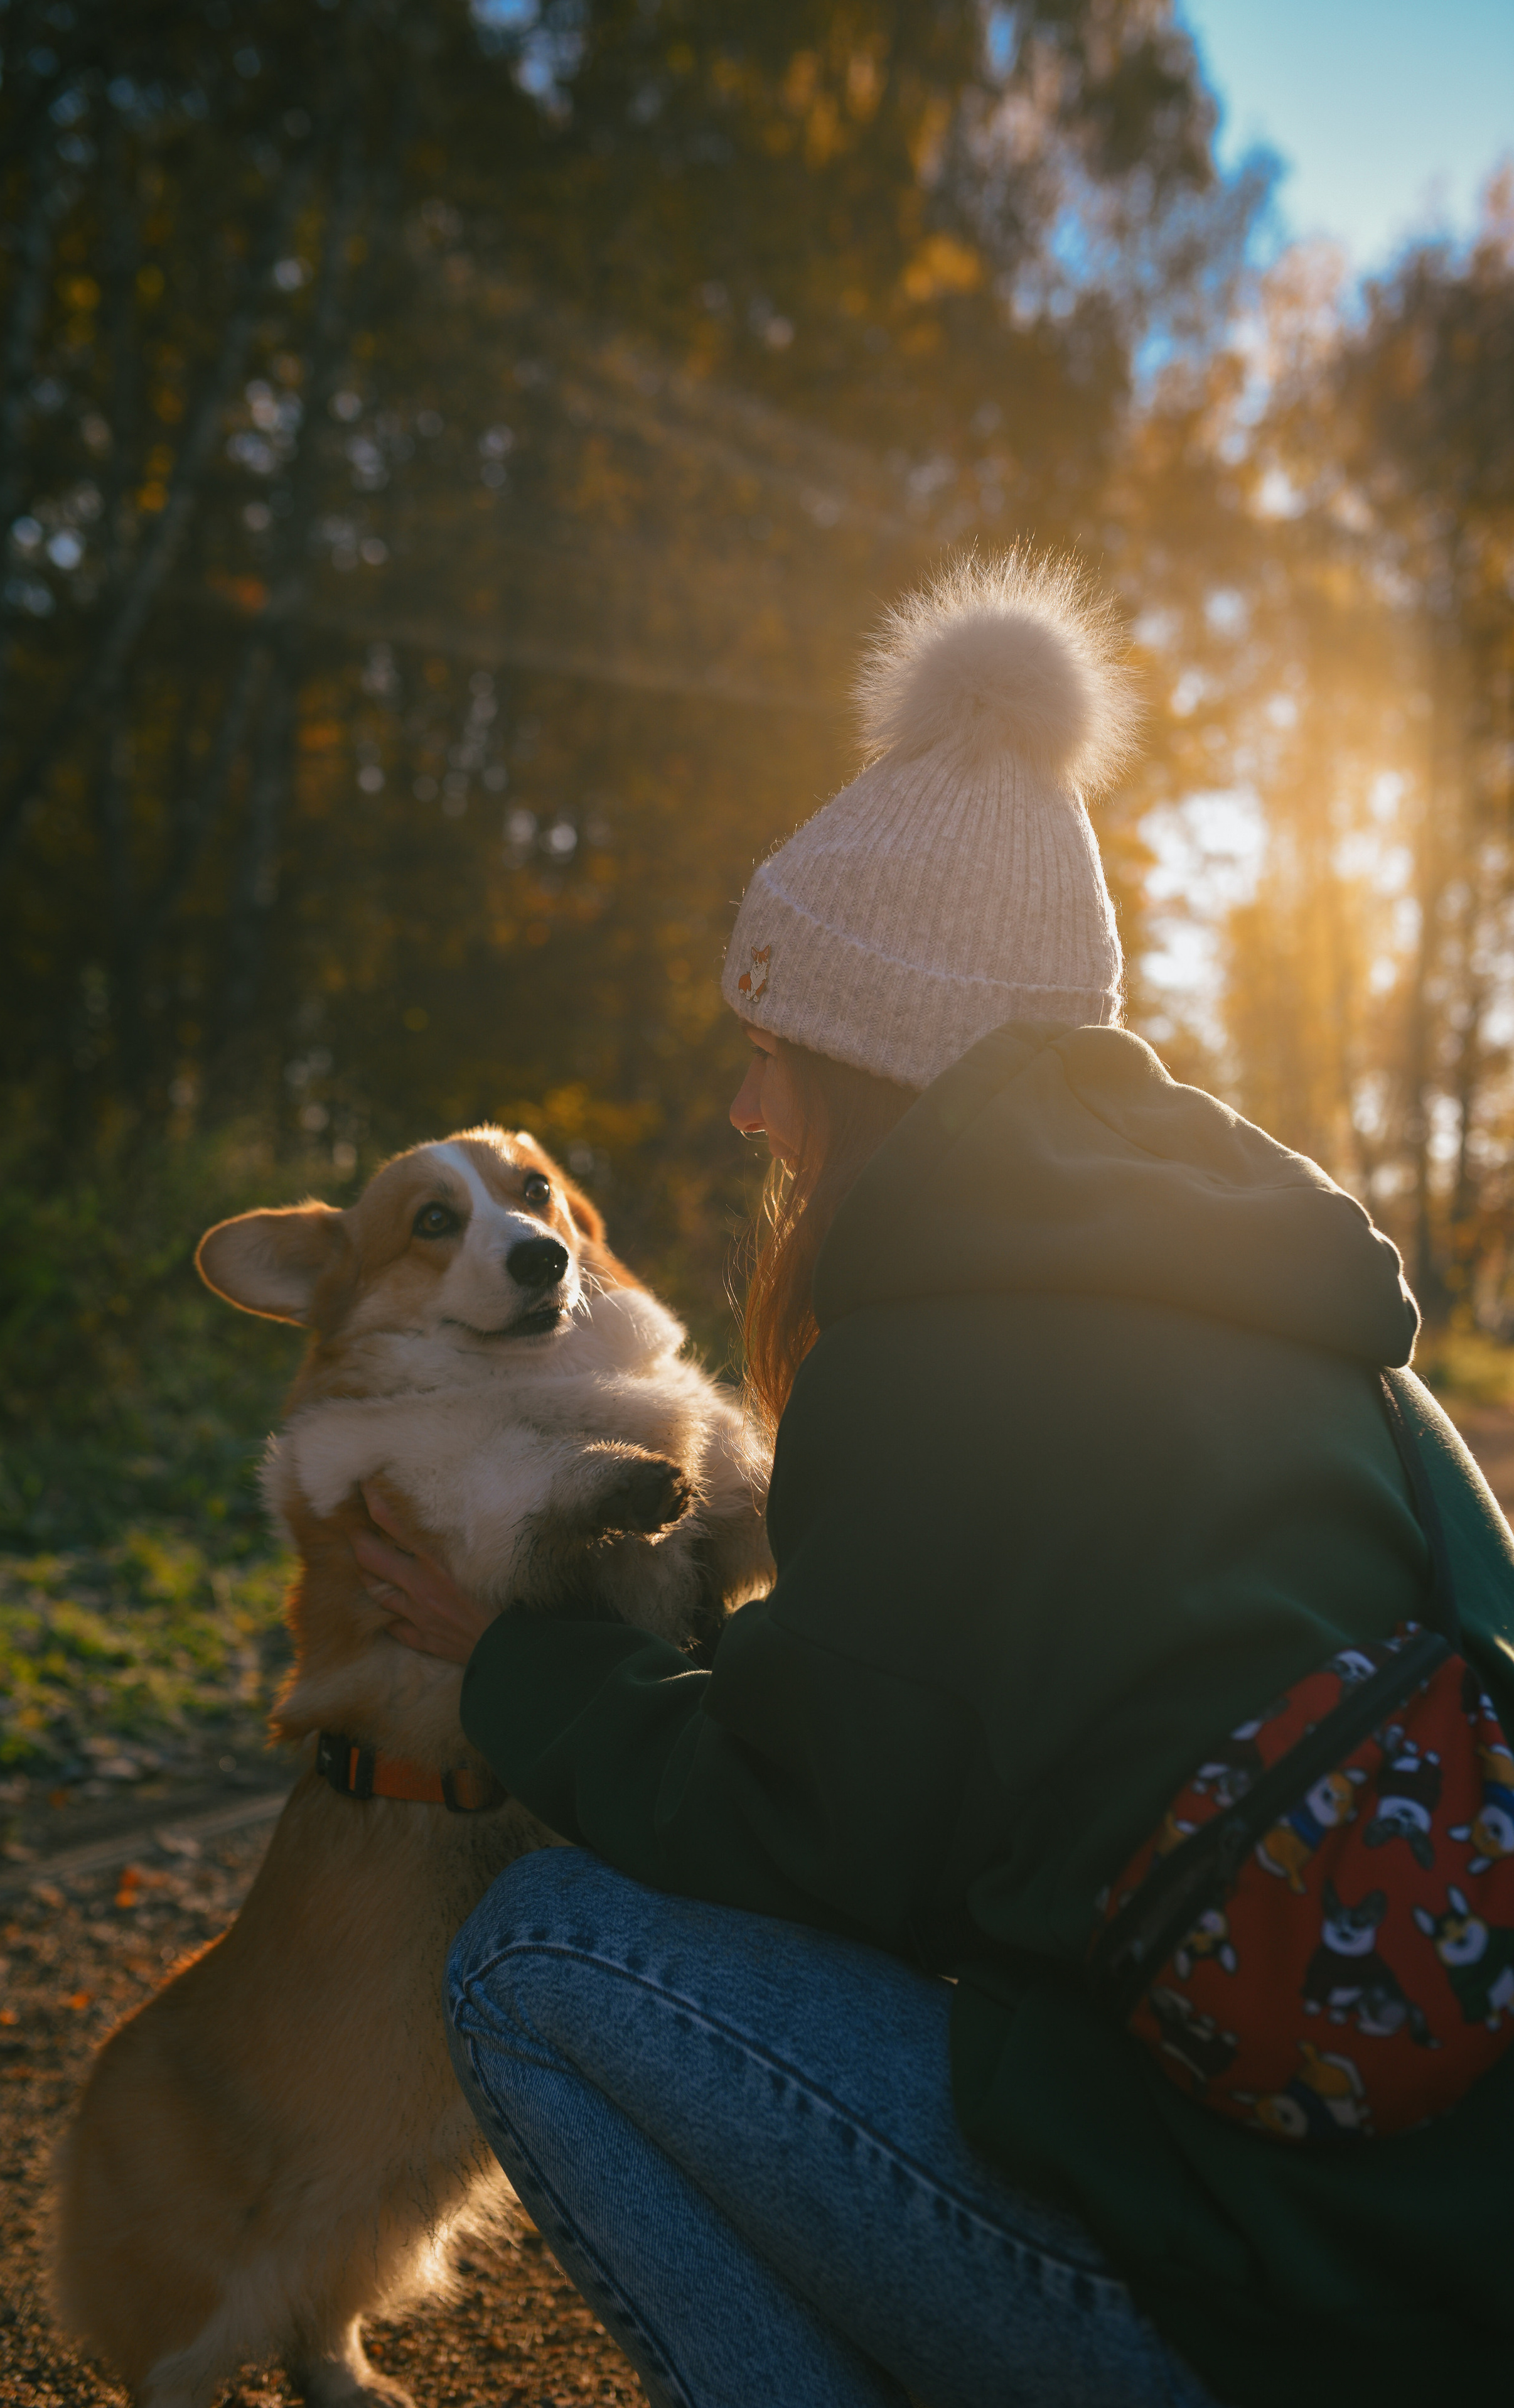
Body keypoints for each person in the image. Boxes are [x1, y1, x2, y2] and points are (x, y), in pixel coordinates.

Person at [350, 551, 1514, 2408]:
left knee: (534, 1958)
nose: (748, 1111)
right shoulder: (1324, 1330)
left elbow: (803, 1835)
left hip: (1269, 2311)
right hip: (1452, 2263)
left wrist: (518, 1666)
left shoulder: (938, 1362)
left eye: (769, 1054)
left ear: (871, 1063)